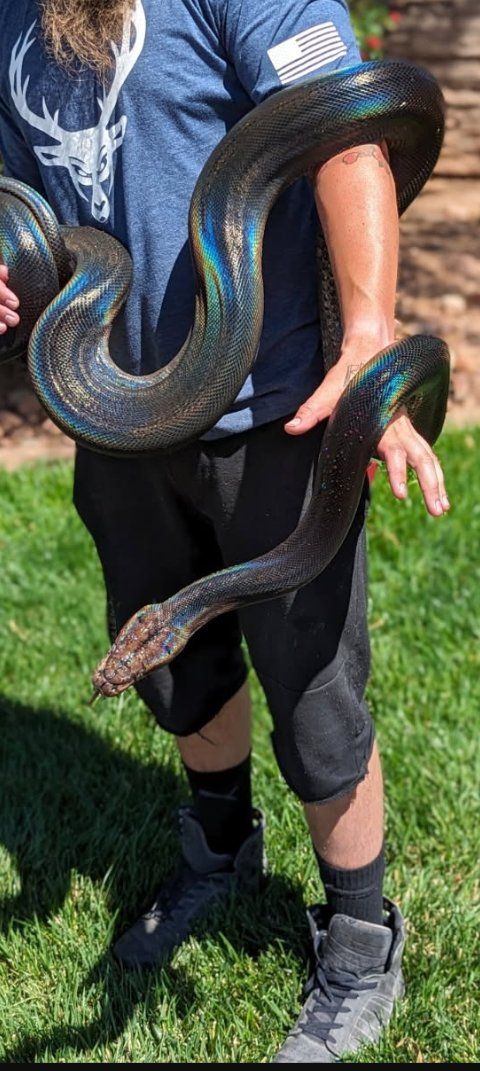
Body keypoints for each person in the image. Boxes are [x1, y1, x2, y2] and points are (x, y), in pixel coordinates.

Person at [0, 0, 449, 1062]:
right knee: (180, 669)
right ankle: (218, 850)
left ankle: (358, 936)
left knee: (313, 690)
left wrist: (373, 338)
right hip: (116, 409)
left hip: (281, 407)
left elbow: (345, 131)